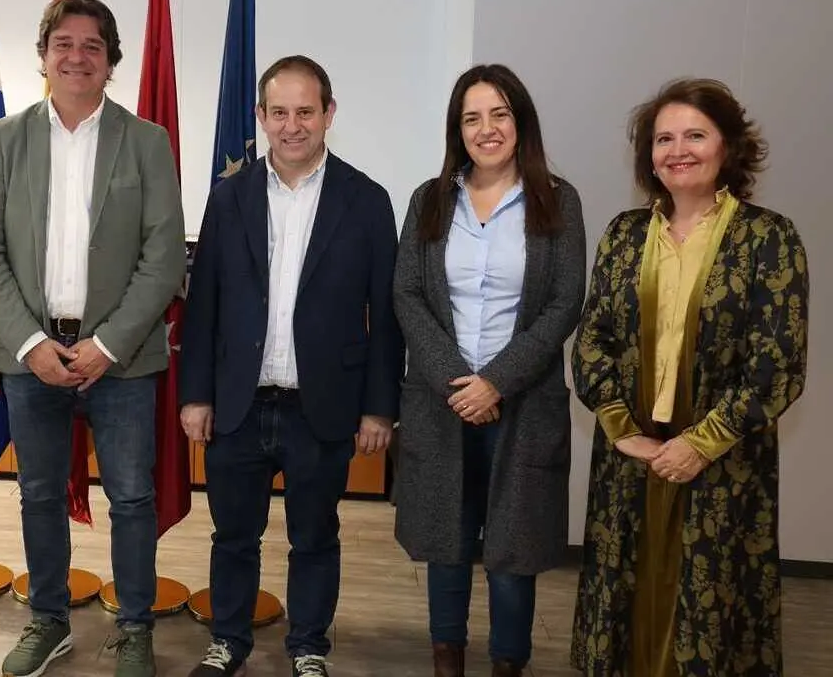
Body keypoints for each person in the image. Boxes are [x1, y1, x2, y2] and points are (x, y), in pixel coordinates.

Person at [0, 0, 185, 677]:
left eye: (92, 44)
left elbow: (164, 255)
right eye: (63, 42)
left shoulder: (145, 140)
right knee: (37, 493)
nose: (77, 55)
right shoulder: (6, 137)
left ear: (111, 60)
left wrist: (108, 343)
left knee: (132, 496)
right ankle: (49, 620)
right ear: (43, 56)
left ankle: (136, 626)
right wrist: (29, 341)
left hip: (120, 358)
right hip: (31, 355)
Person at [570, 78, 808, 677]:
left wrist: (698, 444)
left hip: (723, 461)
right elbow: (593, 338)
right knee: (624, 597)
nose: (678, 149)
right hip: (632, 455)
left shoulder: (768, 238)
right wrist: (624, 432)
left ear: (728, 145)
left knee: (709, 610)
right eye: (663, 138)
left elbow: (778, 363)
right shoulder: (625, 235)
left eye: (695, 135)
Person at [178, 55, 403, 677]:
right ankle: (228, 641)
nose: (292, 125)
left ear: (329, 114)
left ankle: (308, 648)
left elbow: (385, 315)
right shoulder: (229, 198)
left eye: (306, 111)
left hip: (322, 404)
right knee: (232, 537)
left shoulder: (367, 200)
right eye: (279, 112)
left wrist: (380, 407)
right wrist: (195, 395)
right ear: (261, 117)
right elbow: (205, 308)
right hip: (239, 403)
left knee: (315, 538)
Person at [391, 64, 586, 677]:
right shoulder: (430, 200)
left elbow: (564, 302)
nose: (487, 128)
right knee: (445, 537)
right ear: (458, 130)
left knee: (512, 546)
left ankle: (509, 662)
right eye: (472, 117)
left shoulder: (558, 199)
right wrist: (459, 383)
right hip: (441, 399)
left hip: (522, 402)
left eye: (499, 113)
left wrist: (496, 381)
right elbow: (407, 294)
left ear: (520, 120)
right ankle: (446, 654)